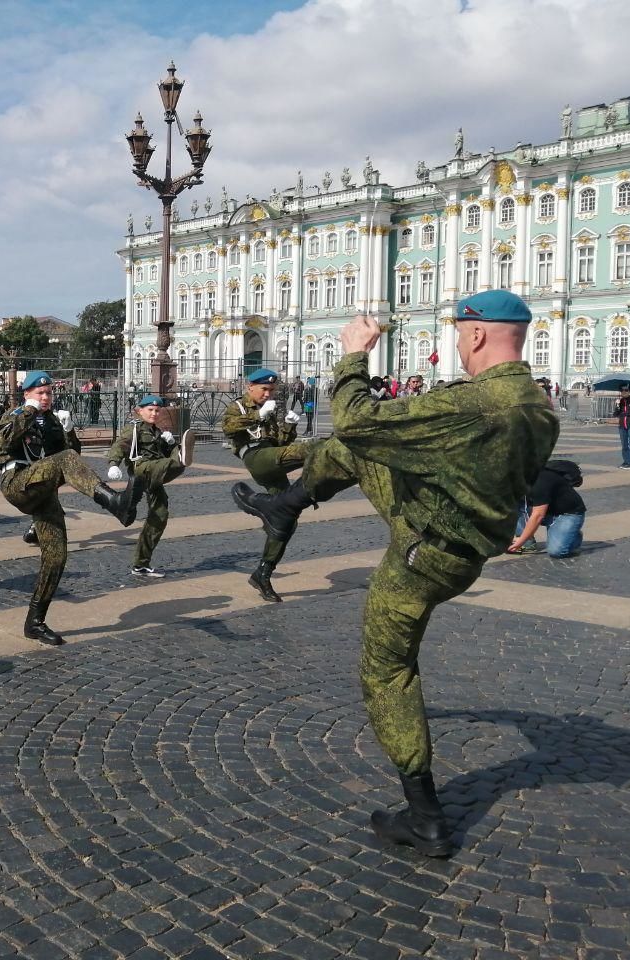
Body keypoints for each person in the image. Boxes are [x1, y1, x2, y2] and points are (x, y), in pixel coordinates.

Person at [230, 291, 558, 857]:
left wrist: (354, 355)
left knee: (386, 672)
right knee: (363, 450)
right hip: (468, 546)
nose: (459, 344)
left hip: (423, 553)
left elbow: (357, 419)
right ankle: (284, 505)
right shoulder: (538, 406)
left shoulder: (476, 404)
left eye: (459, 335)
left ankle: (425, 817)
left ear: (476, 335)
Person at [0, 371, 145, 645]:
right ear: (26, 394)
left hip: (43, 489)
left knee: (57, 556)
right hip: (17, 482)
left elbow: (72, 459)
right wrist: (28, 411)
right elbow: (3, 441)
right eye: (40, 393)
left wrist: (69, 429)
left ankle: (35, 622)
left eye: (49, 393)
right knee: (62, 460)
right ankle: (114, 502)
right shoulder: (12, 414)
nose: (46, 397)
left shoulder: (50, 421)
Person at [222, 369, 307, 602]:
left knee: (287, 519)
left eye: (271, 390)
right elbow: (228, 427)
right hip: (255, 457)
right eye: (264, 389)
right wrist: (258, 415)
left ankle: (263, 572)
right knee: (312, 452)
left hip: (272, 458)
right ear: (250, 387)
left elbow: (280, 443)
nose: (268, 394)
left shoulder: (269, 409)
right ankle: (256, 501)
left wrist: (289, 425)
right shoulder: (238, 407)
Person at [105, 394, 194, 578]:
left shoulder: (157, 431)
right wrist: (113, 464)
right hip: (142, 471)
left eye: (157, 410)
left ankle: (141, 564)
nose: (154, 413)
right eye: (150, 410)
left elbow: (160, 452)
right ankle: (180, 458)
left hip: (155, 474)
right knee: (173, 463)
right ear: (140, 411)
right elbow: (119, 445)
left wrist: (169, 443)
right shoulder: (134, 429)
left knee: (160, 515)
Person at [506, 459, 585, 558]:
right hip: (545, 511)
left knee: (557, 552)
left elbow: (538, 516)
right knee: (513, 503)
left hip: (567, 514)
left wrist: (520, 542)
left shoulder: (540, 481)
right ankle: (528, 544)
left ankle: (574, 535)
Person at [614, 383, 630, 469]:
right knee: (624, 445)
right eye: (622, 390)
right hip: (622, 426)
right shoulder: (620, 401)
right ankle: (626, 461)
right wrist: (617, 406)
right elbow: (616, 414)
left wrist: (623, 413)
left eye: (626, 390)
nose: (624, 392)